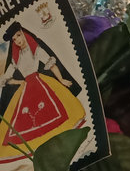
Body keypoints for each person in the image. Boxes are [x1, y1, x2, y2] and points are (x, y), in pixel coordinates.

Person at [0, 22, 86, 160]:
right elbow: (7, 79)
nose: (17, 41)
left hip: (40, 83)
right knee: (23, 121)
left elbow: (51, 65)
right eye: (14, 39)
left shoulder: (36, 50)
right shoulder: (16, 59)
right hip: (26, 88)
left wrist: (61, 79)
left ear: (24, 33)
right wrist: (20, 82)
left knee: (53, 110)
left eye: (18, 36)